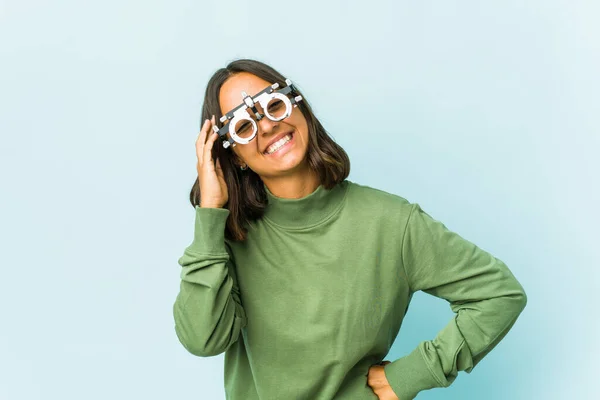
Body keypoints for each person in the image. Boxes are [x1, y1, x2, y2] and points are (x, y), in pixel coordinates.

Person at [172, 58, 527, 400]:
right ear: (232, 155)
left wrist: (412, 374)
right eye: (244, 127)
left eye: (272, 105)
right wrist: (209, 215)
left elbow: (499, 294)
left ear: (297, 107)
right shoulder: (228, 240)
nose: (266, 126)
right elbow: (203, 340)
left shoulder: (391, 222)